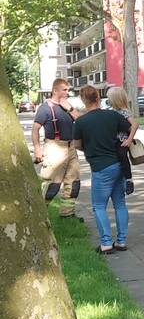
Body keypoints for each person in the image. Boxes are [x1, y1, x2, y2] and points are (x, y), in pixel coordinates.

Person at [71, 86, 134, 254]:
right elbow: (131, 127)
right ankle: (121, 241)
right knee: (120, 203)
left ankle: (106, 243)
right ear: (98, 98)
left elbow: (77, 145)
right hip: (118, 164)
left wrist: (89, 148)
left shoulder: (81, 122)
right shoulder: (113, 115)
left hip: (100, 167)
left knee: (99, 206)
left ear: (83, 100)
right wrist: (127, 141)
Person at [32, 78, 83, 221]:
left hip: (71, 147)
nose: (67, 92)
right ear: (55, 91)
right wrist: (37, 150)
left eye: (68, 90)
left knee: (73, 183)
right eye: (64, 90)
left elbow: (80, 121)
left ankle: (67, 214)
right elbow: (35, 129)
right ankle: (38, 216)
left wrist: (70, 108)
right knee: (51, 185)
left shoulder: (67, 106)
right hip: (54, 148)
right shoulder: (45, 108)